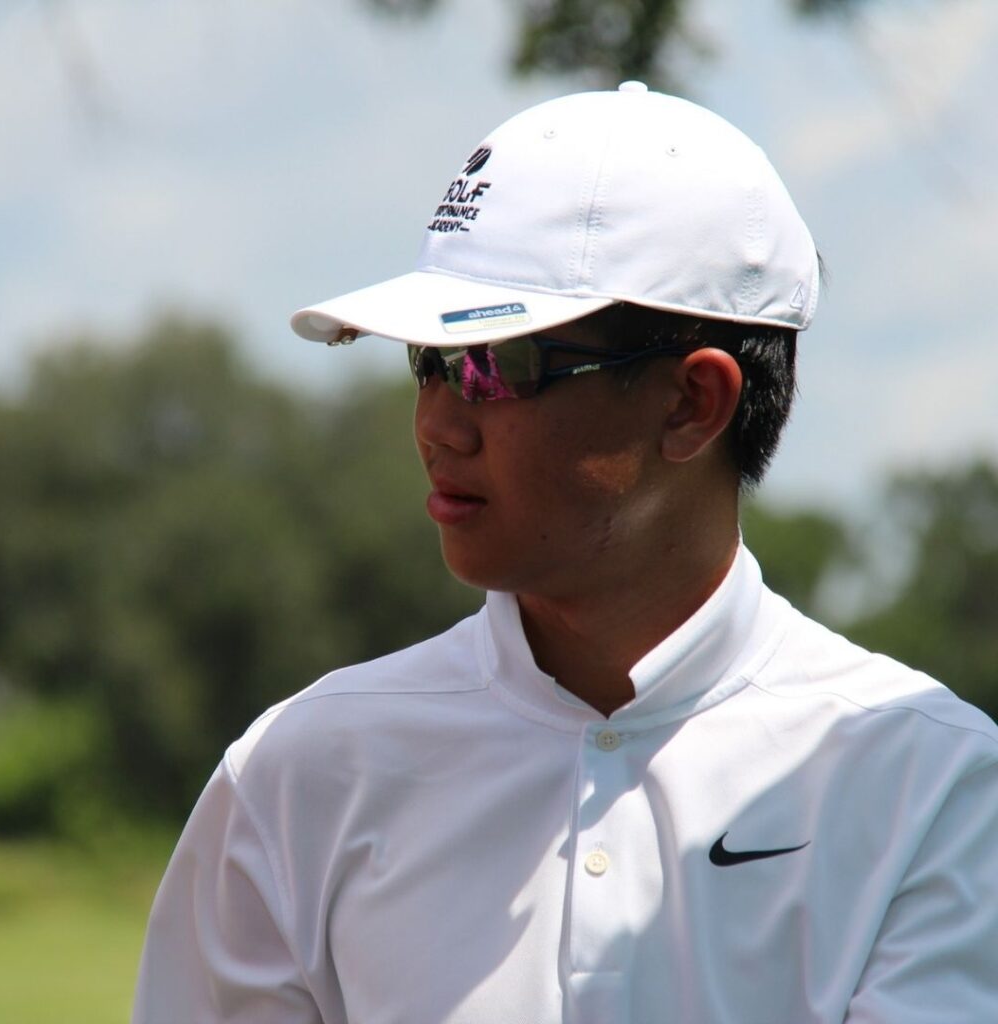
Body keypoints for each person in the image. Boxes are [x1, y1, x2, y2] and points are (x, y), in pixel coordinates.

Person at [133, 83, 998, 1023]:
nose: (436, 425)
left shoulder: (930, 782)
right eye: (426, 361)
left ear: (691, 404)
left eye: (492, 366)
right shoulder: (297, 775)